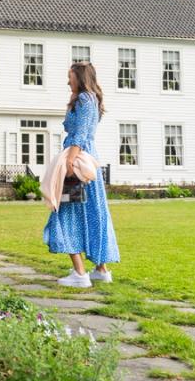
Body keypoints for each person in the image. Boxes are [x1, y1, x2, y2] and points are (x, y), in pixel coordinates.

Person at [43, 62, 120, 288]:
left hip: (78, 163)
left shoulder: (85, 100)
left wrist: (69, 162)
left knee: (65, 212)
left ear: (80, 77)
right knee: (94, 213)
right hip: (87, 160)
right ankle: (100, 270)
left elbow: (81, 133)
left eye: (70, 77)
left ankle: (79, 274)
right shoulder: (88, 99)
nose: (68, 81)